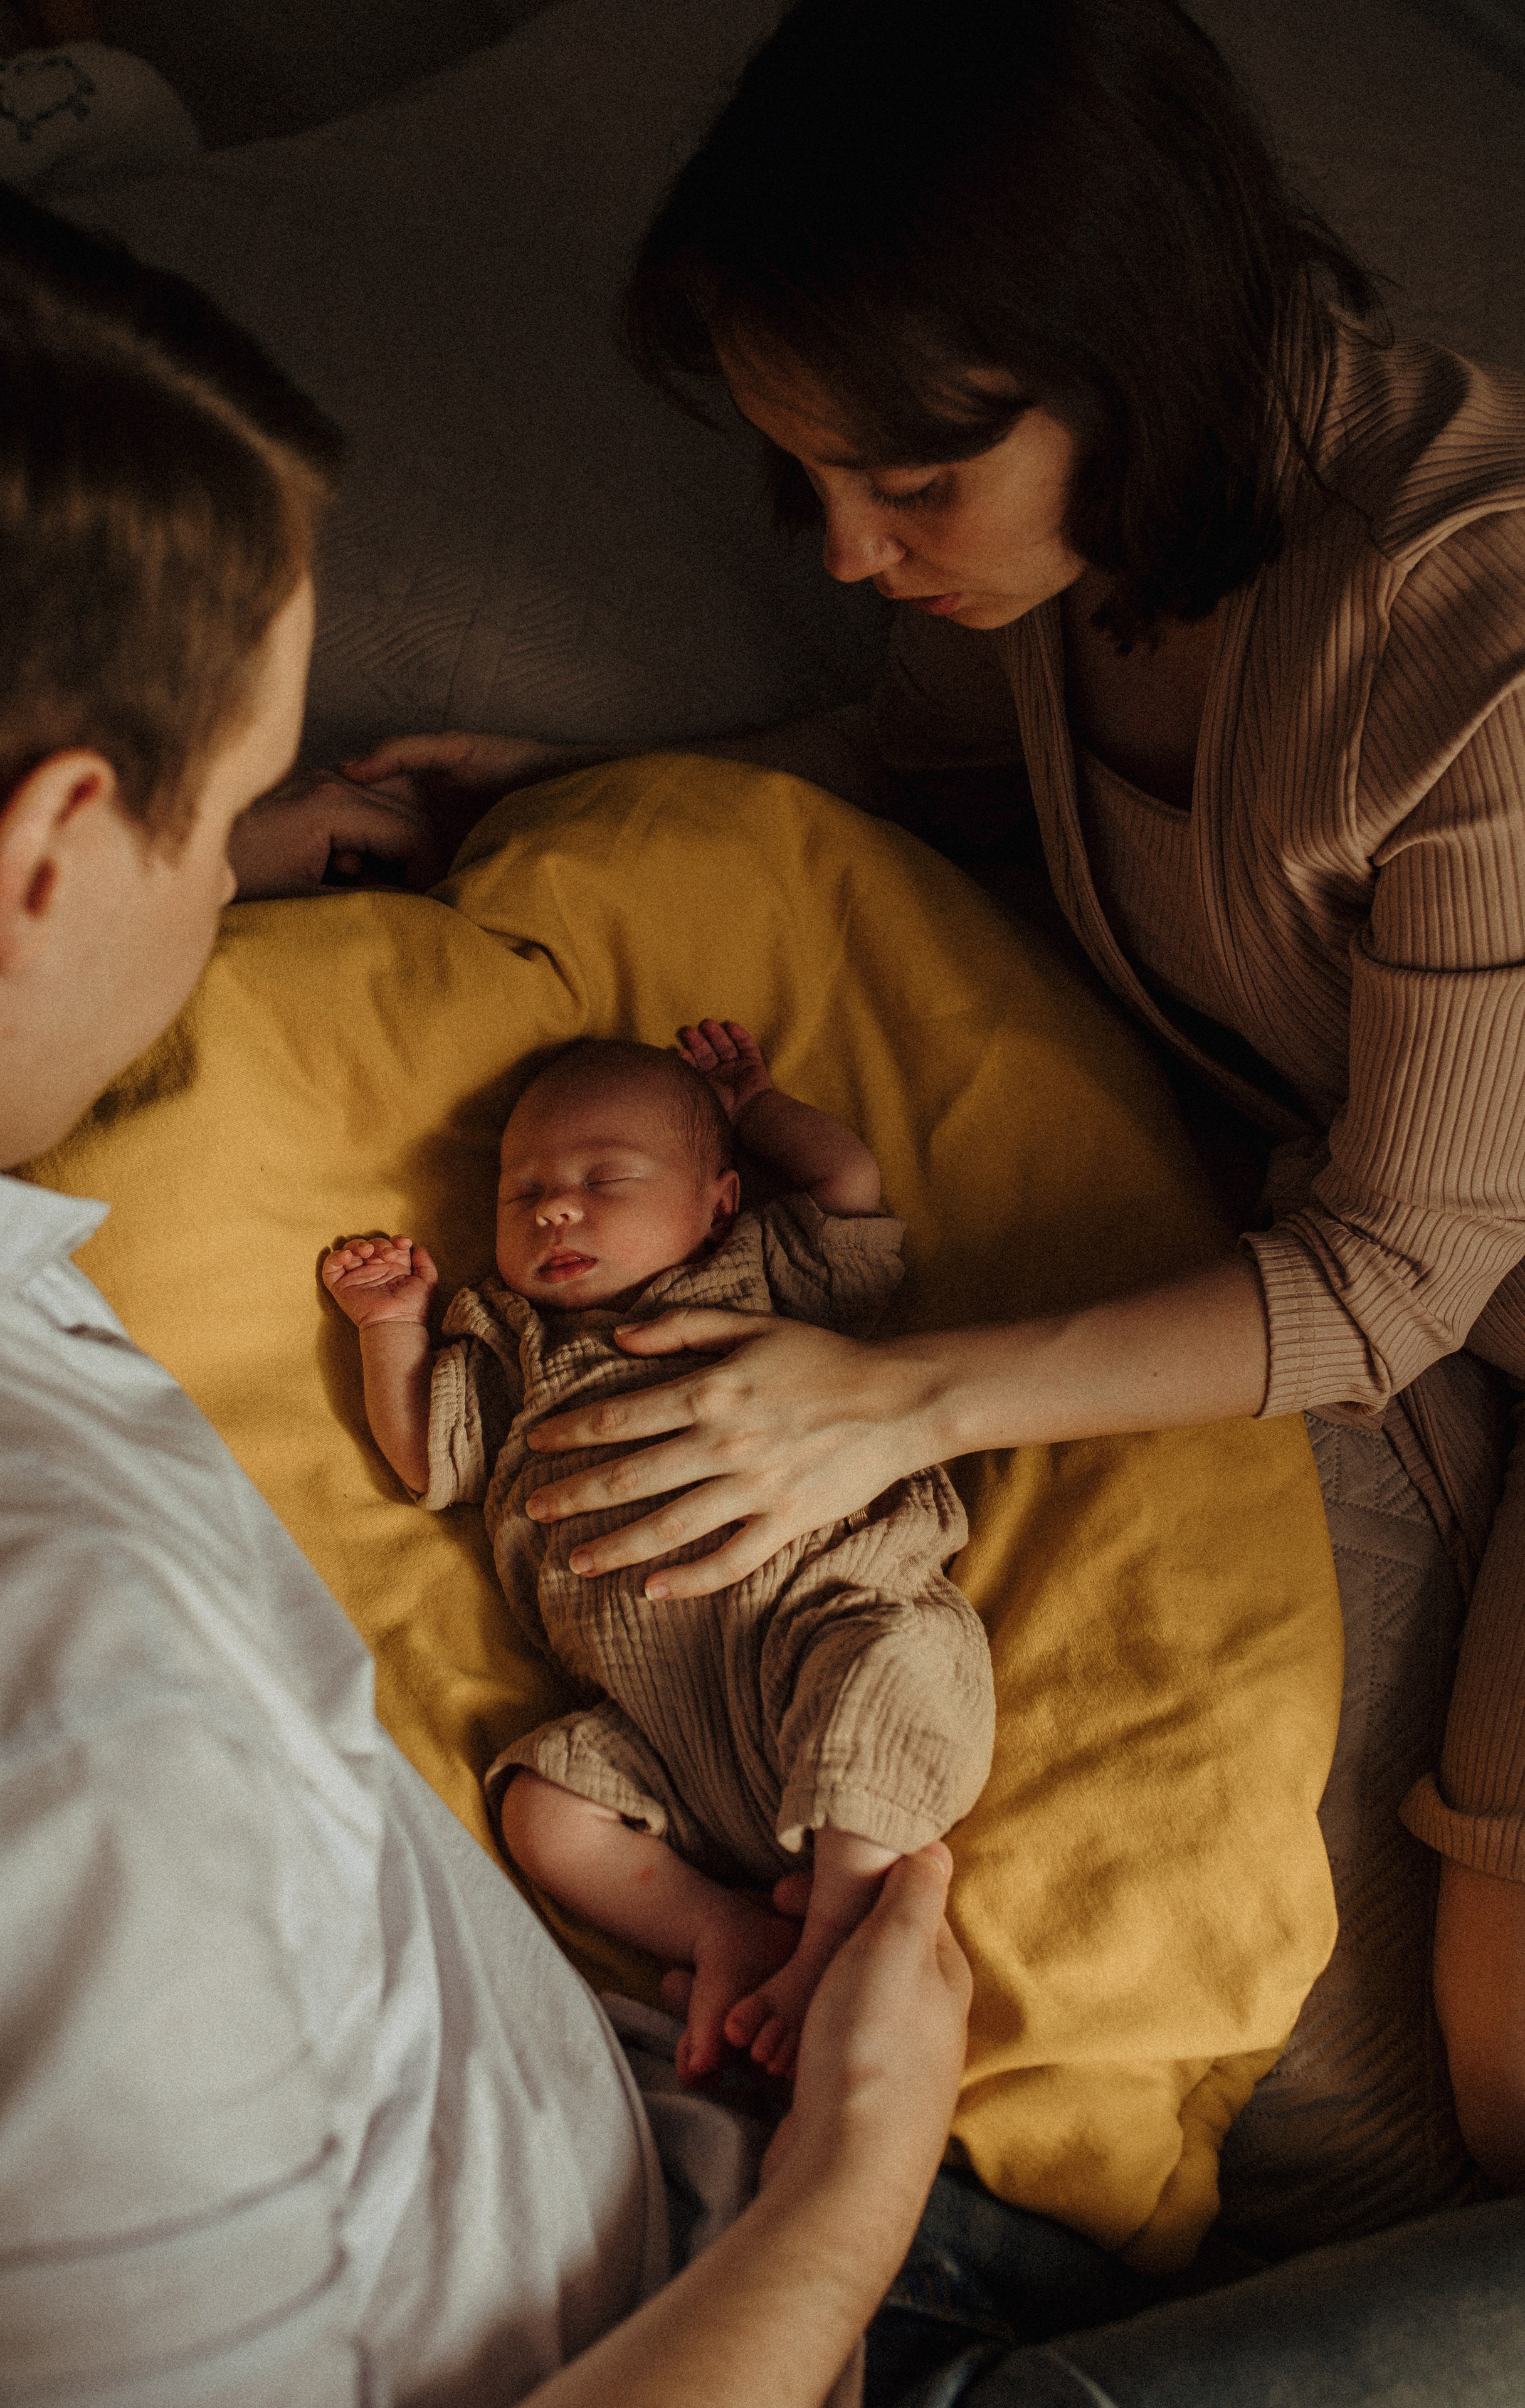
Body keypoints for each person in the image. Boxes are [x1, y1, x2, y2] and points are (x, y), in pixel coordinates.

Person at [317, 0, 1525, 2211]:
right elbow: (927, 783)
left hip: (1423, 1284)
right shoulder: (1074, 548)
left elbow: (1401, 1272)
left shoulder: (1476, 632)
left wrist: (885, 1401)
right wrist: (561, 802)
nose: (855, 554)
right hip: (1350, 1273)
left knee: (1487, 2057)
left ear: (1130, 355)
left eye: (911, 485)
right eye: (813, 483)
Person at [0, 146, 974, 2405]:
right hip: (766, 2284)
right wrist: (864, 2179)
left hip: (665, 2082)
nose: (239, 894)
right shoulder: (54, 1713)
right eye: (222, 826)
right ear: (38, 855)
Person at [321, 1024, 994, 2083]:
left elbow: (851, 1186)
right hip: (661, 1732)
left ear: (717, 1201)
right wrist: (390, 1326)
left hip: (829, 1619)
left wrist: (754, 1109)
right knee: (540, 1808)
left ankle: (827, 1951)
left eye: (606, 1179)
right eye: (524, 1189)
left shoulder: (755, 1269)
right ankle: (723, 1929)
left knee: (892, 1670)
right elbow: (423, 1459)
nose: (555, 1207)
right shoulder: (504, 1338)